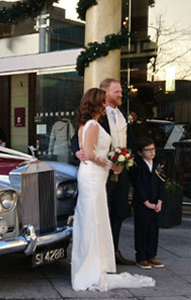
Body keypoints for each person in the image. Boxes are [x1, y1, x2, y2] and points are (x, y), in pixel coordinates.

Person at [71, 88, 155, 291]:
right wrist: (111, 164)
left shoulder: (89, 124)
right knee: (92, 219)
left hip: (95, 176)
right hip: (92, 176)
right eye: (102, 102)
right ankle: (90, 269)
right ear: (96, 104)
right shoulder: (91, 124)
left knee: (97, 218)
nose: (105, 105)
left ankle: (96, 265)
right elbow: (90, 154)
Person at [71, 78, 137, 266]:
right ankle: (96, 257)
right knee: (99, 214)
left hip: (120, 170)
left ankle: (112, 251)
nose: (121, 94)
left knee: (119, 211)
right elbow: (78, 140)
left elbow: (129, 139)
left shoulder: (121, 113)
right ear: (105, 93)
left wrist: (134, 157)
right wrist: (78, 151)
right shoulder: (93, 120)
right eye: (117, 91)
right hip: (100, 172)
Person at [130, 136, 166, 270]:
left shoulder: (157, 165)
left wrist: (160, 201)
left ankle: (152, 255)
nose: (152, 152)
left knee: (153, 230)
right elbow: (137, 185)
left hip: (156, 203)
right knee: (142, 229)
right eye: (148, 150)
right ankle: (141, 257)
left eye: (153, 149)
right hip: (142, 204)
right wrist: (146, 202)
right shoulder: (137, 166)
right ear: (140, 152)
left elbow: (162, 183)